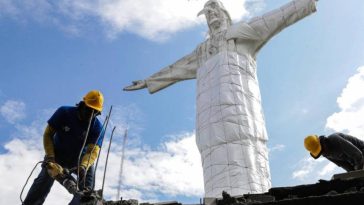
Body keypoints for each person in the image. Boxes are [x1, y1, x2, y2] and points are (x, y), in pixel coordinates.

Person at [124, 0, 318, 197]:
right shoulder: (202, 51)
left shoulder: (241, 34)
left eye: (216, 12)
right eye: (208, 15)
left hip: (240, 112)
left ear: (226, 15)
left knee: (246, 159)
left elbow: (277, 18)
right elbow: (176, 68)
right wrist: (148, 81)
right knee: (213, 161)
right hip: (209, 122)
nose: (212, 18)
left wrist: (305, 3)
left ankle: (251, 196)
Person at [23, 90, 104, 205]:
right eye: (89, 110)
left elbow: (93, 151)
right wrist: (50, 156)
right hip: (57, 154)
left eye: (94, 112)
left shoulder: (97, 128)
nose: (90, 114)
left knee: (87, 192)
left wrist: (83, 166)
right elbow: (48, 134)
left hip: (80, 159)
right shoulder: (64, 112)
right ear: (82, 105)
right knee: (43, 181)